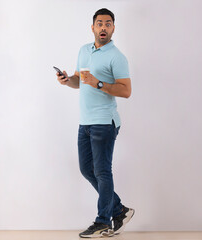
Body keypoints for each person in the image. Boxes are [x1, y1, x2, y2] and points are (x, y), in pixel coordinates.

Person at [56, 8, 134, 238]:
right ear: (92, 27)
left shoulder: (117, 56)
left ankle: (102, 221)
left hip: (104, 122)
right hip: (85, 122)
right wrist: (67, 80)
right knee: (86, 169)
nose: (103, 27)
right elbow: (79, 82)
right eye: (99, 23)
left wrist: (99, 83)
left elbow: (126, 91)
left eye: (108, 23)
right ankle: (119, 210)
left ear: (113, 28)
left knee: (102, 171)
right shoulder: (83, 51)